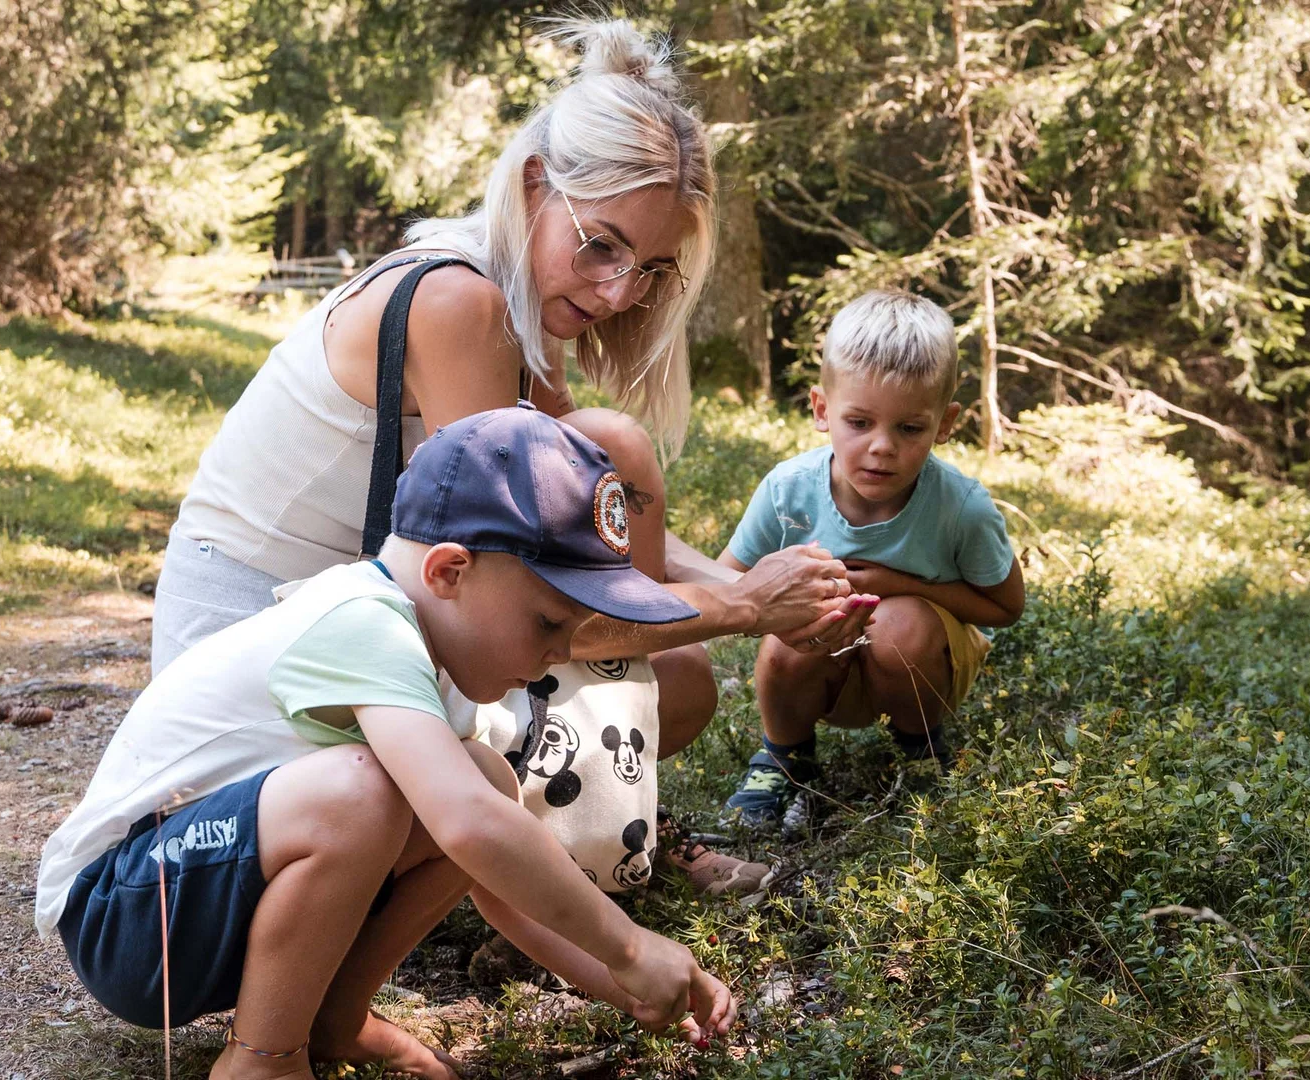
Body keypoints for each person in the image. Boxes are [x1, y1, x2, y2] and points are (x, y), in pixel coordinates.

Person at [153, 18, 869, 892]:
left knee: (669, 661)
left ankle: (601, 827)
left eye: (649, 268)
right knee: (658, 658)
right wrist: (750, 611)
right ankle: (561, 855)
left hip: (337, 622)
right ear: (536, 184)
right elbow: (511, 590)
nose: (616, 292)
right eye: (601, 243)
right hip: (255, 659)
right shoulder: (460, 304)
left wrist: (767, 588)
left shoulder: (524, 300)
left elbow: (544, 567)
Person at [37, 407, 734, 1080]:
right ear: (450, 572)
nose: (558, 655)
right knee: (367, 793)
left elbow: (495, 873)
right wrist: (631, 943)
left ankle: (331, 1020)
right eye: (550, 622)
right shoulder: (361, 622)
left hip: (199, 908)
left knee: (486, 779)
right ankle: (262, 1060)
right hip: (125, 916)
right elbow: (466, 824)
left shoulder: (440, 661)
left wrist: (627, 979)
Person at [716, 291, 1027, 836]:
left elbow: (1005, 607)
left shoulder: (961, 507)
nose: (882, 447)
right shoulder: (789, 491)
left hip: (920, 663)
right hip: (819, 666)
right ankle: (784, 757)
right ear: (821, 410)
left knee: (899, 622)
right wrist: (780, 610)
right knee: (796, 625)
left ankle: (920, 750)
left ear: (946, 422)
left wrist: (899, 585)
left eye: (909, 428)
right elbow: (726, 583)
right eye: (859, 422)